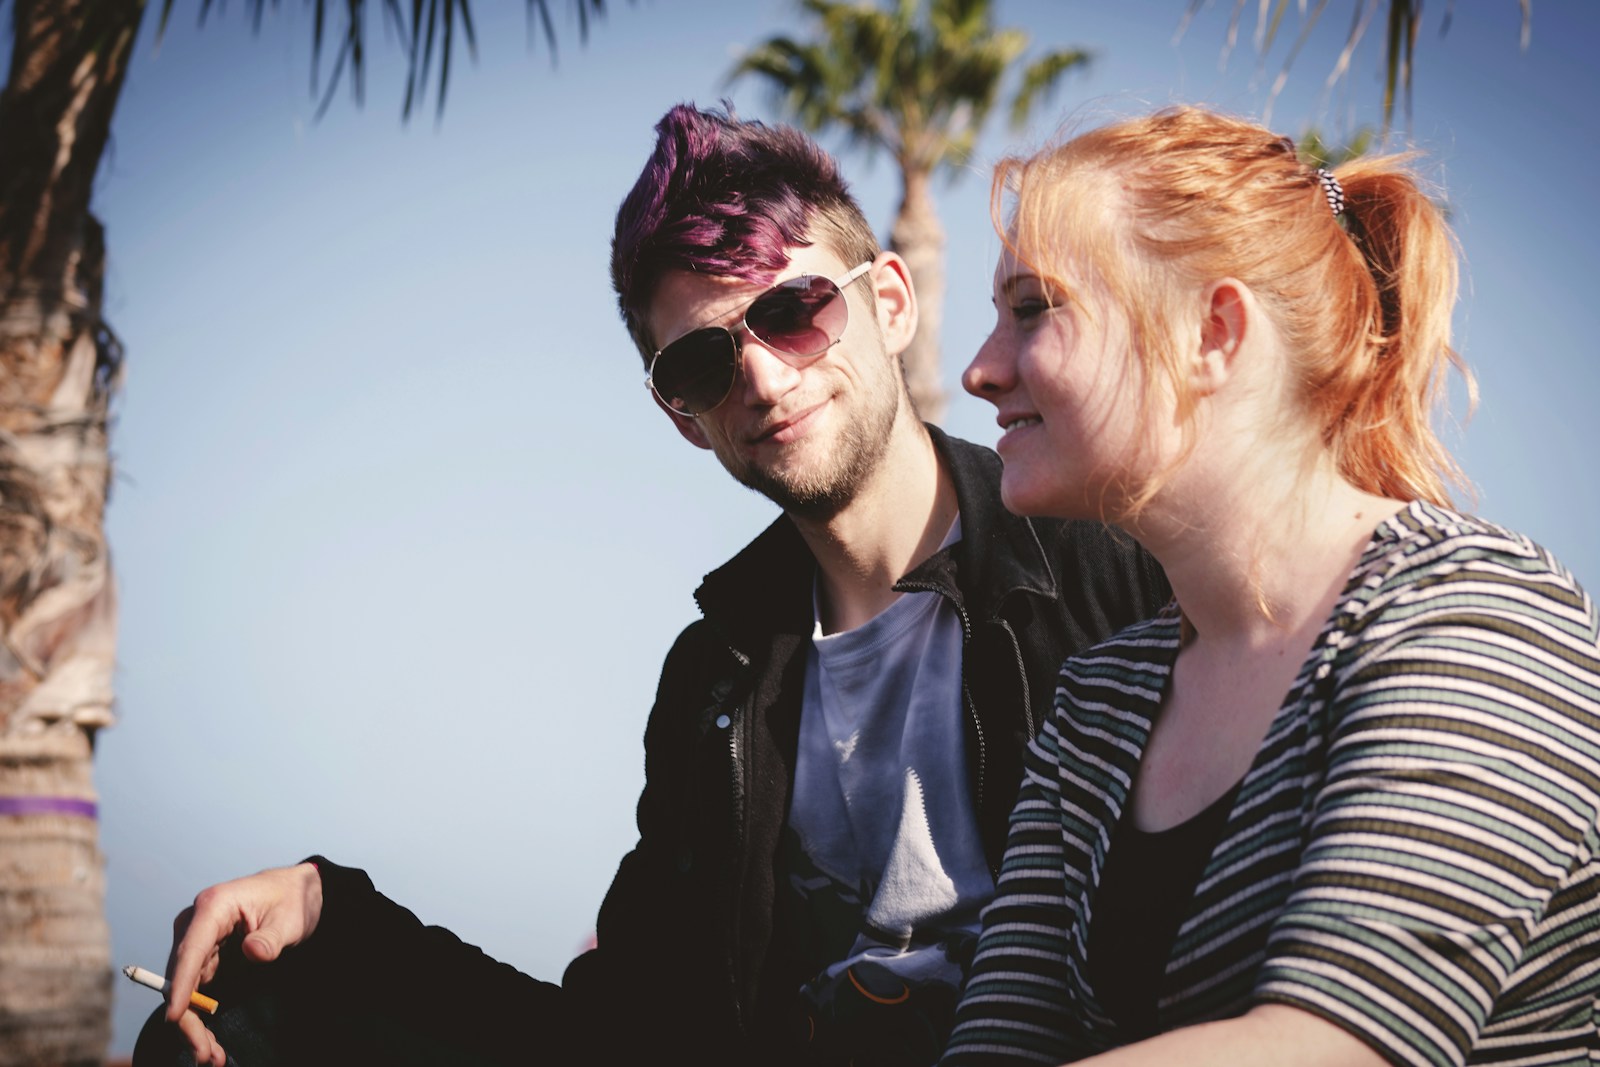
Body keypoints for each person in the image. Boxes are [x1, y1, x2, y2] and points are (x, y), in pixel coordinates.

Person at [133, 103, 1170, 1067]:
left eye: (792, 309)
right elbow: (615, 1032)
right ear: (683, 416)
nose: (761, 375)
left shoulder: (1115, 572)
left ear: (889, 303)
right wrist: (334, 916)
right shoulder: (716, 679)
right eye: (703, 364)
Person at [938, 105, 1600, 1067]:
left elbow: (1328, 1045)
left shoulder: (1478, 617)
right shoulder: (1099, 702)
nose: (979, 370)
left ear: (1214, 330)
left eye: (1035, 307)